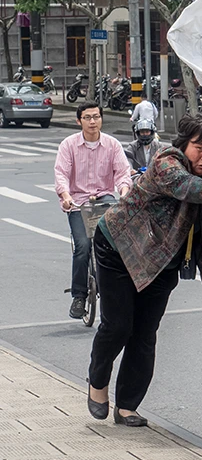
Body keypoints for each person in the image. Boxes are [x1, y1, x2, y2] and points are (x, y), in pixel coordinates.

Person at [86, 114, 202, 426]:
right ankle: (97, 383)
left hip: (163, 261)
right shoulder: (167, 162)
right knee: (119, 326)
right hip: (119, 248)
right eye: (199, 148)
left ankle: (127, 406)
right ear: (183, 144)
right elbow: (191, 188)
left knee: (145, 332)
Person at [54, 102, 132, 319]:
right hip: (77, 202)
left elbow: (122, 173)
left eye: (96, 117)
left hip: (104, 199)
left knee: (113, 245)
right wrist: (66, 196)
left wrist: (124, 192)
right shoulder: (68, 145)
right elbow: (61, 174)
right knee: (83, 245)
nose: (92, 122)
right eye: (87, 117)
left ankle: (118, 291)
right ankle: (79, 296)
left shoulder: (112, 144)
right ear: (79, 121)